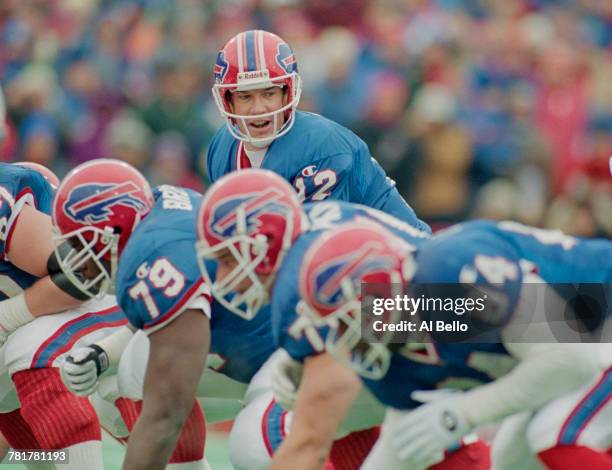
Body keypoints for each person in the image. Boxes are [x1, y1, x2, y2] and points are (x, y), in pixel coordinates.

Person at [195, 169, 489, 469]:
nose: (223, 278)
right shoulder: (312, 228)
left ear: (264, 241)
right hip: (489, 303)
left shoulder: (307, 276)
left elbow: (309, 439)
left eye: (228, 259)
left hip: (472, 316)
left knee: (264, 429)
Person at [300, 220, 611, 469]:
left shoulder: (451, 275)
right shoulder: (394, 356)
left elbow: (571, 355)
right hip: (585, 348)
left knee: (557, 435)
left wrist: (465, 412)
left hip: (598, 321)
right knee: (511, 462)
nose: (348, 335)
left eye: (353, 316)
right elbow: (401, 445)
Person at [52, 159, 283, 470]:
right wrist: (103, 353)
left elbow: (164, 416)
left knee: (253, 446)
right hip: (266, 356)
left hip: (296, 361)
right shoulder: (158, 209)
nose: (223, 267)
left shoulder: (344, 260)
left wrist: (371, 342)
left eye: (79, 240)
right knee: (117, 381)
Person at [207, 30, 430, 232]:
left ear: (288, 93)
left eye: (268, 94)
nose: (258, 108)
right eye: (245, 96)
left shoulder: (322, 147)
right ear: (228, 101)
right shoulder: (221, 148)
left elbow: (315, 248)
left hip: (397, 253)